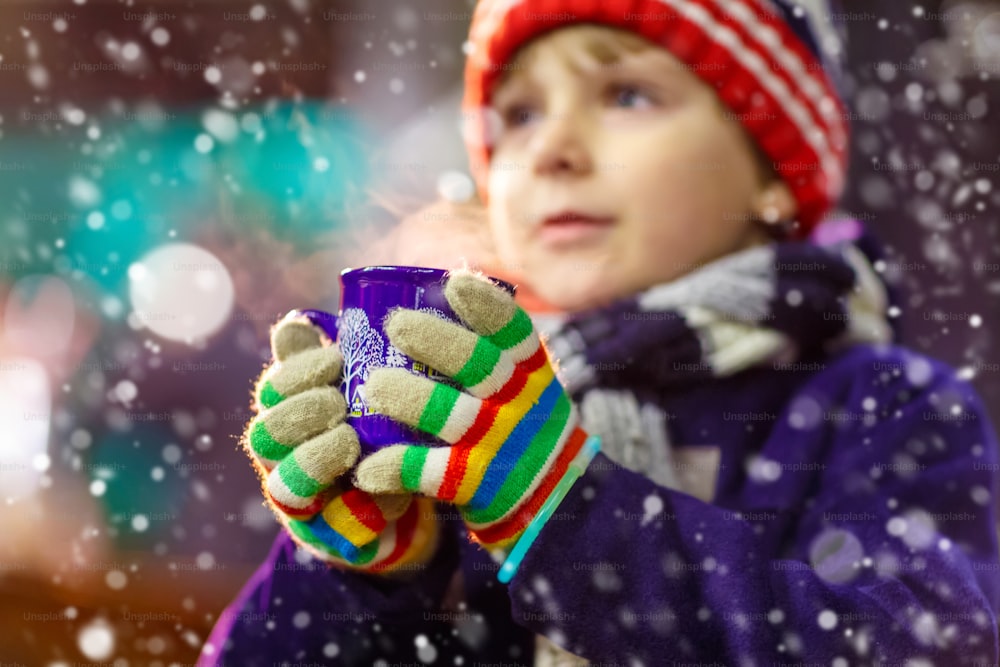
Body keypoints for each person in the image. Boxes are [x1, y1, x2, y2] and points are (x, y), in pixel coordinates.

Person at [198, 1, 1000, 665]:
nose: (550, 148)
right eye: (517, 113)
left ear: (769, 171)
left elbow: (924, 650)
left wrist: (571, 516)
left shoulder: (884, 405)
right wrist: (353, 576)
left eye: (626, 95)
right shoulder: (461, 419)